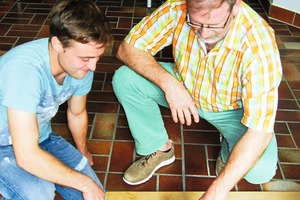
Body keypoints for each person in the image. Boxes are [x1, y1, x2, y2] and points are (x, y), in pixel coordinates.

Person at [112, 0, 282, 199]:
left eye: (214, 25)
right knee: (125, 79)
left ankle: (229, 150)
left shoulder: (260, 43)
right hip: (184, 86)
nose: (204, 34)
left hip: (231, 108)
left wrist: (214, 193)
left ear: (235, 7)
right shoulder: (178, 8)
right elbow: (127, 49)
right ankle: (159, 148)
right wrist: (170, 84)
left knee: (260, 171)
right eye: (196, 23)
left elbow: (260, 132)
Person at [0, 0, 113, 199]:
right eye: (86, 58)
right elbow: (27, 156)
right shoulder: (24, 72)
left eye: (97, 57)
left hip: (39, 136)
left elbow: (77, 113)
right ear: (57, 44)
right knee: (39, 193)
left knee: (94, 194)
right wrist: (84, 183)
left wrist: (83, 152)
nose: (94, 67)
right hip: (3, 145)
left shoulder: (81, 67)